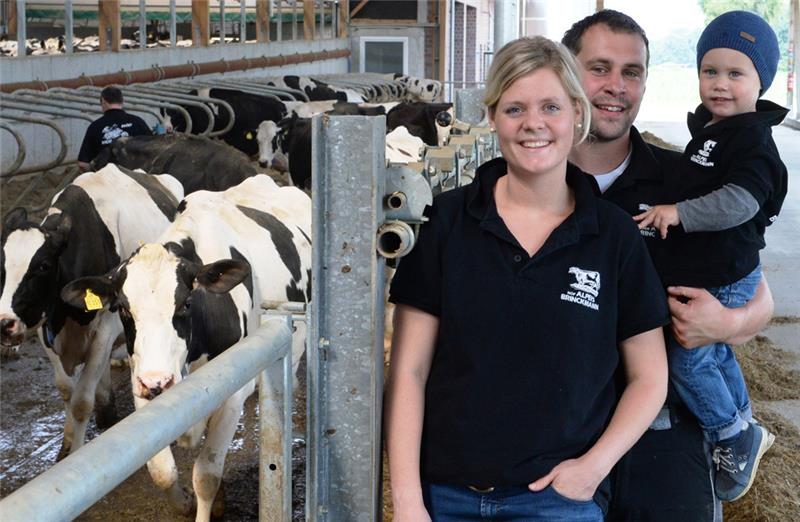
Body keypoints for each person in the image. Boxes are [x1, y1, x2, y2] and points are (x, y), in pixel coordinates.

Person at [385, 35, 669, 522]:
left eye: (551, 106)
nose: (533, 123)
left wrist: (592, 469)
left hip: (556, 501)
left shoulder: (613, 236)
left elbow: (650, 377)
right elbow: (409, 370)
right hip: (445, 497)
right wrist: (408, 501)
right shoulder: (448, 222)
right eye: (515, 109)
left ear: (577, 115)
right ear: (492, 117)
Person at [562, 9, 776, 520]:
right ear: (566, 72)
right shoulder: (529, 179)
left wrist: (728, 323)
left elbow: (757, 292)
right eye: (599, 68)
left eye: (631, 72)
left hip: (664, 420)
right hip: (560, 422)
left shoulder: (686, 182)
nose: (616, 86)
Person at [632, 10, 785, 502]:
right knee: (713, 353)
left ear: (761, 81)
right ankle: (745, 424)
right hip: (717, 270)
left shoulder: (751, 140)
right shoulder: (714, 131)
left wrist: (678, 212)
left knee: (689, 359)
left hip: (727, 273)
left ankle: (728, 434)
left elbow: (740, 202)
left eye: (736, 73)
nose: (719, 83)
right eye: (710, 71)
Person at [77, 85, 151, 172]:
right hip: (138, 178)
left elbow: (82, 164)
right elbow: (153, 151)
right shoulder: (138, 122)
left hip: (108, 179)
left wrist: (95, 174)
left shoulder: (95, 127)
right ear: (122, 101)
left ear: (103, 102)